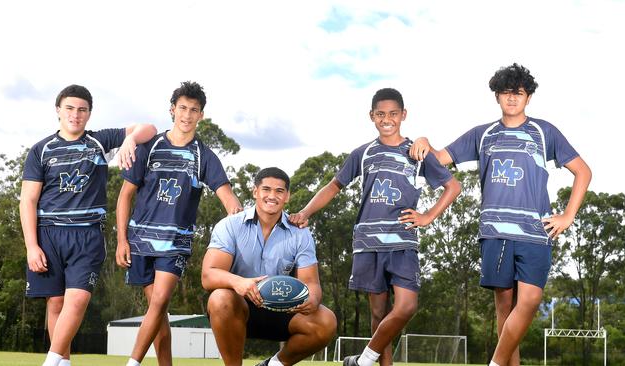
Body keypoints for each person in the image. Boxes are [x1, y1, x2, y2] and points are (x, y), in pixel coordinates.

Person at [408, 63, 592, 366]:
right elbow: (439, 159)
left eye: (518, 93)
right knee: (504, 312)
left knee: (530, 301)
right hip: (494, 233)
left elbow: (583, 171)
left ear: (528, 97)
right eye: (506, 92)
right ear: (497, 96)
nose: (512, 98)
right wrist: (424, 140)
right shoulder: (483, 134)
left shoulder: (544, 132)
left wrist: (568, 215)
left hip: (535, 233)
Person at [289, 88, 461, 366]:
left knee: (406, 307)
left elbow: (453, 186)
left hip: (403, 243)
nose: (387, 119)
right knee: (379, 315)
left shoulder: (417, 151)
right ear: (372, 116)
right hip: (368, 243)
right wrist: (306, 211)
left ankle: (364, 360)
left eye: (393, 113)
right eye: (380, 114)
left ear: (403, 115)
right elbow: (334, 185)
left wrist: (428, 216)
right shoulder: (364, 153)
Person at [20, 84, 157, 366]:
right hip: (48, 235)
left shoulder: (99, 141)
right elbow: (28, 201)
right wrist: (32, 246)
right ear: (58, 110)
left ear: (89, 114)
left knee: (78, 301)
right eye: (69, 108)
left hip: (87, 235)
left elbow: (149, 128)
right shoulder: (41, 150)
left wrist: (130, 140)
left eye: (82, 110)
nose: (75, 114)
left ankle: (49, 361)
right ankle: (63, 361)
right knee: (55, 304)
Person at [116, 81, 243, 366]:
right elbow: (125, 196)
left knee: (160, 301)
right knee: (156, 311)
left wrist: (243, 219)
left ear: (201, 115)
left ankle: (132, 362)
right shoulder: (150, 146)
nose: (187, 115)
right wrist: (122, 240)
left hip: (175, 243)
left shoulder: (205, 156)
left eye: (194, 110)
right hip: (140, 241)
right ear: (172, 110)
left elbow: (228, 199)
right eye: (182, 108)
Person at [202, 167, 337, 366]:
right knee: (220, 298)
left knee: (326, 321)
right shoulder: (230, 225)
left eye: (279, 191)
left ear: (287, 196)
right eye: (266, 189)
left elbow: (311, 284)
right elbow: (208, 276)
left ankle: (273, 365)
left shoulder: (300, 233)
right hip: (238, 307)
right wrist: (240, 283)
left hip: (282, 309)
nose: (272, 196)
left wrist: (313, 299)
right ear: (255, 192)